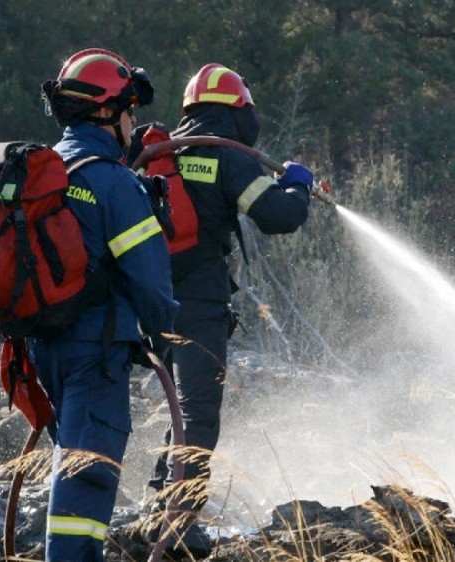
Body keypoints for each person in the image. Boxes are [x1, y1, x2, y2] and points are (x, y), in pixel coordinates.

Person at [141, 63, 314, 558]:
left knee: (180, 407)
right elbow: (279, 216)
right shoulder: (226, 156)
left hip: (151, 302)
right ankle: (178, 523)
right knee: (199, 413)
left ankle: (162, 507)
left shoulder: (166, 151)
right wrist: (297, 185)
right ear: (240, 110)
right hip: (197, 304)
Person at [33, 48, 178, 562]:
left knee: (71, 464)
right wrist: (168, 339)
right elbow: (153, 283)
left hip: (44, 349)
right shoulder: (113, 181)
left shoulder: (48, 171)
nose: (133, 123)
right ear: (105, 111)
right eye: (129, 111)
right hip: (96, 354)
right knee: (88, 477)